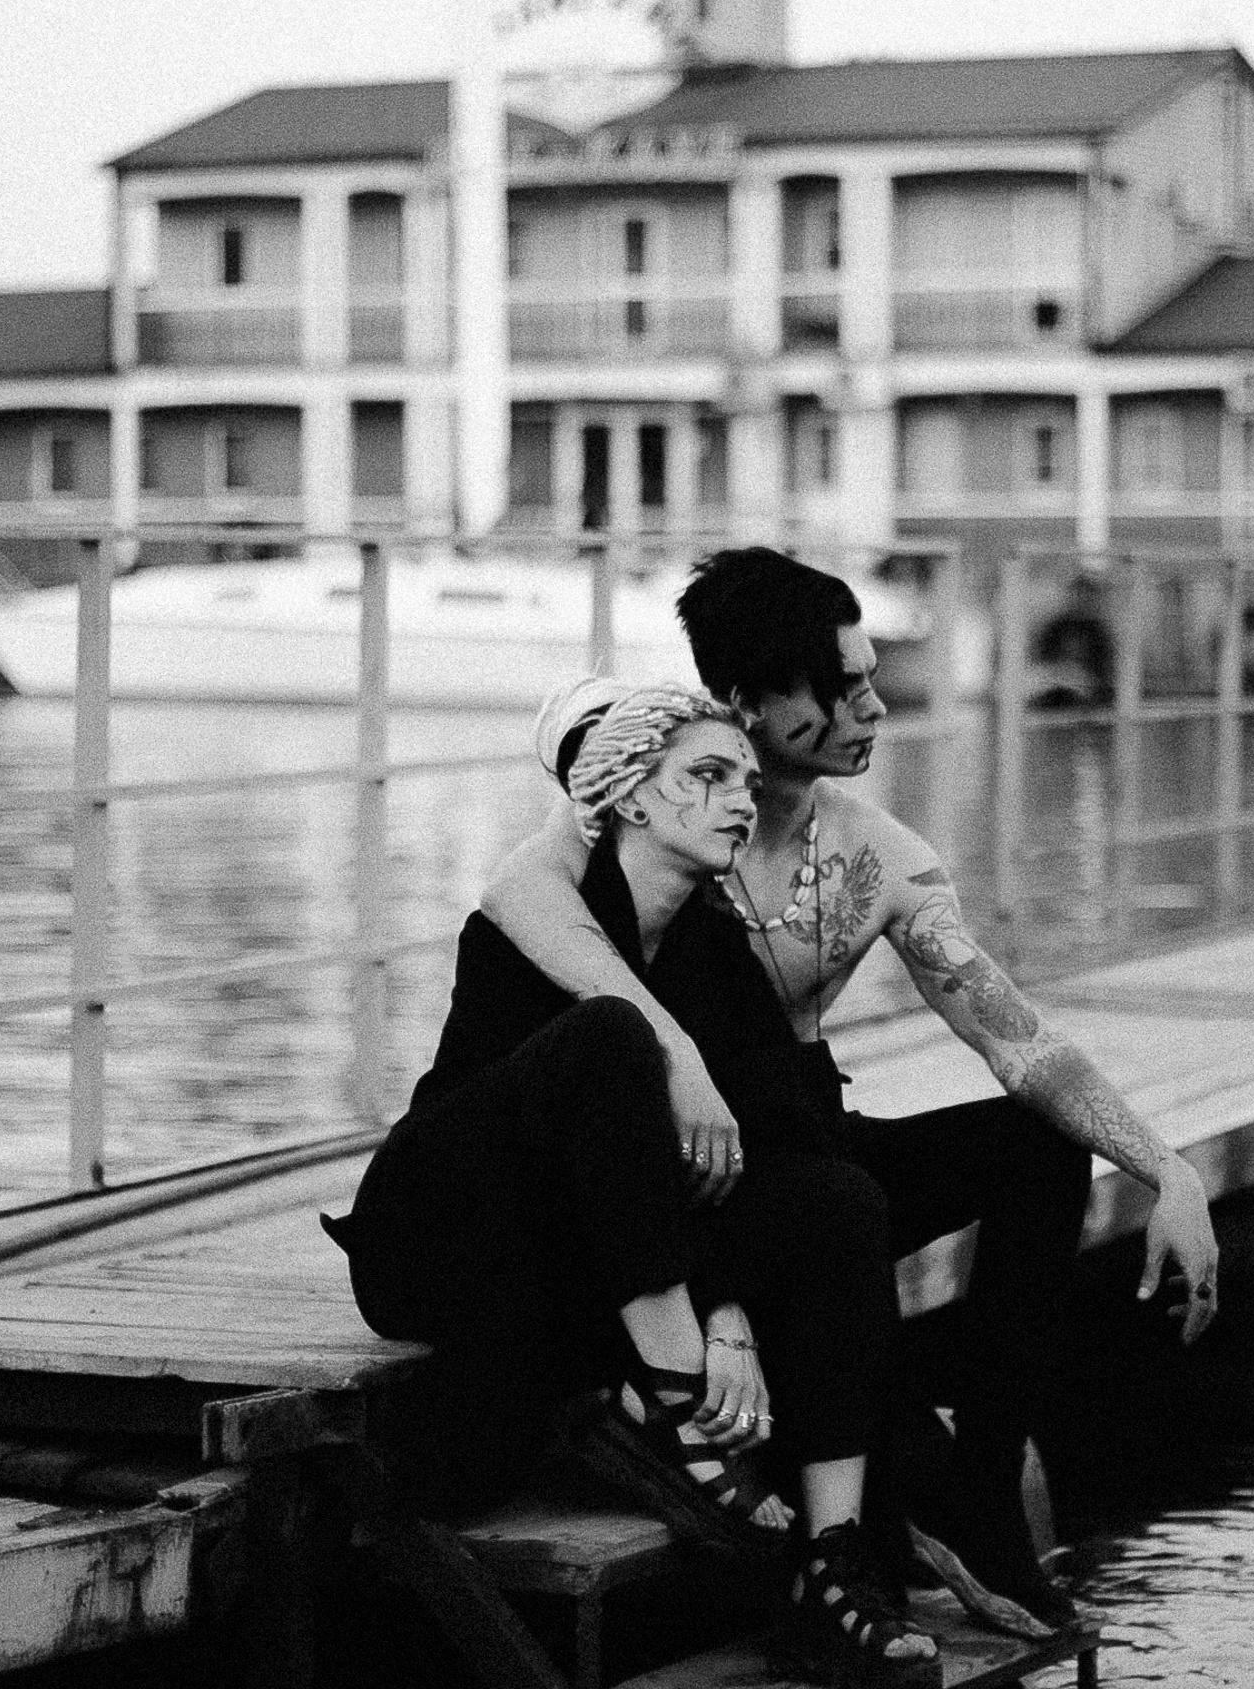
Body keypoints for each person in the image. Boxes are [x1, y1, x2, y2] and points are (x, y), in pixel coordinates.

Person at [481, 548, 1221, 1634]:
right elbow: (516, 892)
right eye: (841, 687)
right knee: (829, 1223)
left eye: (871, 676)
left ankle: (982, 1482)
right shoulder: (654, 794)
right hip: (664, 1165)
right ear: (741, 703)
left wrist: (1170, 1171)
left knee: (1033, 1146)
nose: (874, 706)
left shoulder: (880, 857)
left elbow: (1012, 1035)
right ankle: (876, 1485)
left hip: (798, 1135)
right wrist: (679, 1069)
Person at [327, 684, 942, 1689]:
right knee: (611, 1038)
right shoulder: (528, 931)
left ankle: (835, 1564)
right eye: (706, 775)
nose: (740, 799)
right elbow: (574, 1164)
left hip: (595, 1256)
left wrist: (732, 1309)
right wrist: (677, 1055)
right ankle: (670, 1404)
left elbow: (776, 1153)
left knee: (843, 1201)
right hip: (446, 1234)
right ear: (629, 797)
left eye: (746, 779)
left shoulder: (715, 948)